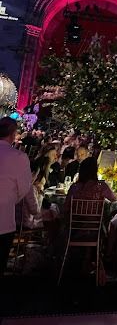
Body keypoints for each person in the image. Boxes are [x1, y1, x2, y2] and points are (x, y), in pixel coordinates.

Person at [0, 117, 32, 275]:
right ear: (13, 135)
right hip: (4, 219)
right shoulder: (19, 157)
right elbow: (24, 188)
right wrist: (11, 199)